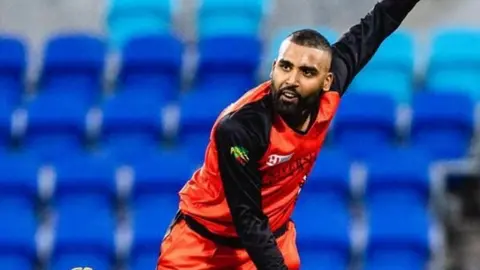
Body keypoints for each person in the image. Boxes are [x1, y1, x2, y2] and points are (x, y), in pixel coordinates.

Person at [157, 0, 422, 269]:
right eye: (285, 67)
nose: (292, 80)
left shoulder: (331, 89)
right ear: (273, 67)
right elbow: (248, 218)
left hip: (273, 237)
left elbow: (380, 22)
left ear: (327, 81)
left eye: (307, 72)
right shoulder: (240, 129)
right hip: (203, 246)